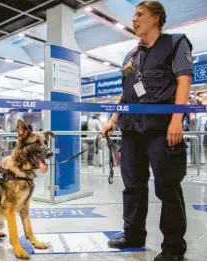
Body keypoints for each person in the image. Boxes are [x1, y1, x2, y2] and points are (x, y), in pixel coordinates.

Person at [101, 1, 192, 261]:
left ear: (157, 18)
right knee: (133, 186)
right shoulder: (132, 55)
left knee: (167, 188)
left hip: (160, 130)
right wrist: (113, 119)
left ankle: (173, 247)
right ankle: (133, 234)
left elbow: (183, 81)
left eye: (140, 14)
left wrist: (177, 120)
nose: (135, 19)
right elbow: (125, 92)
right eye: (134, 15)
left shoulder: (176, 43)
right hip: (131, 130)